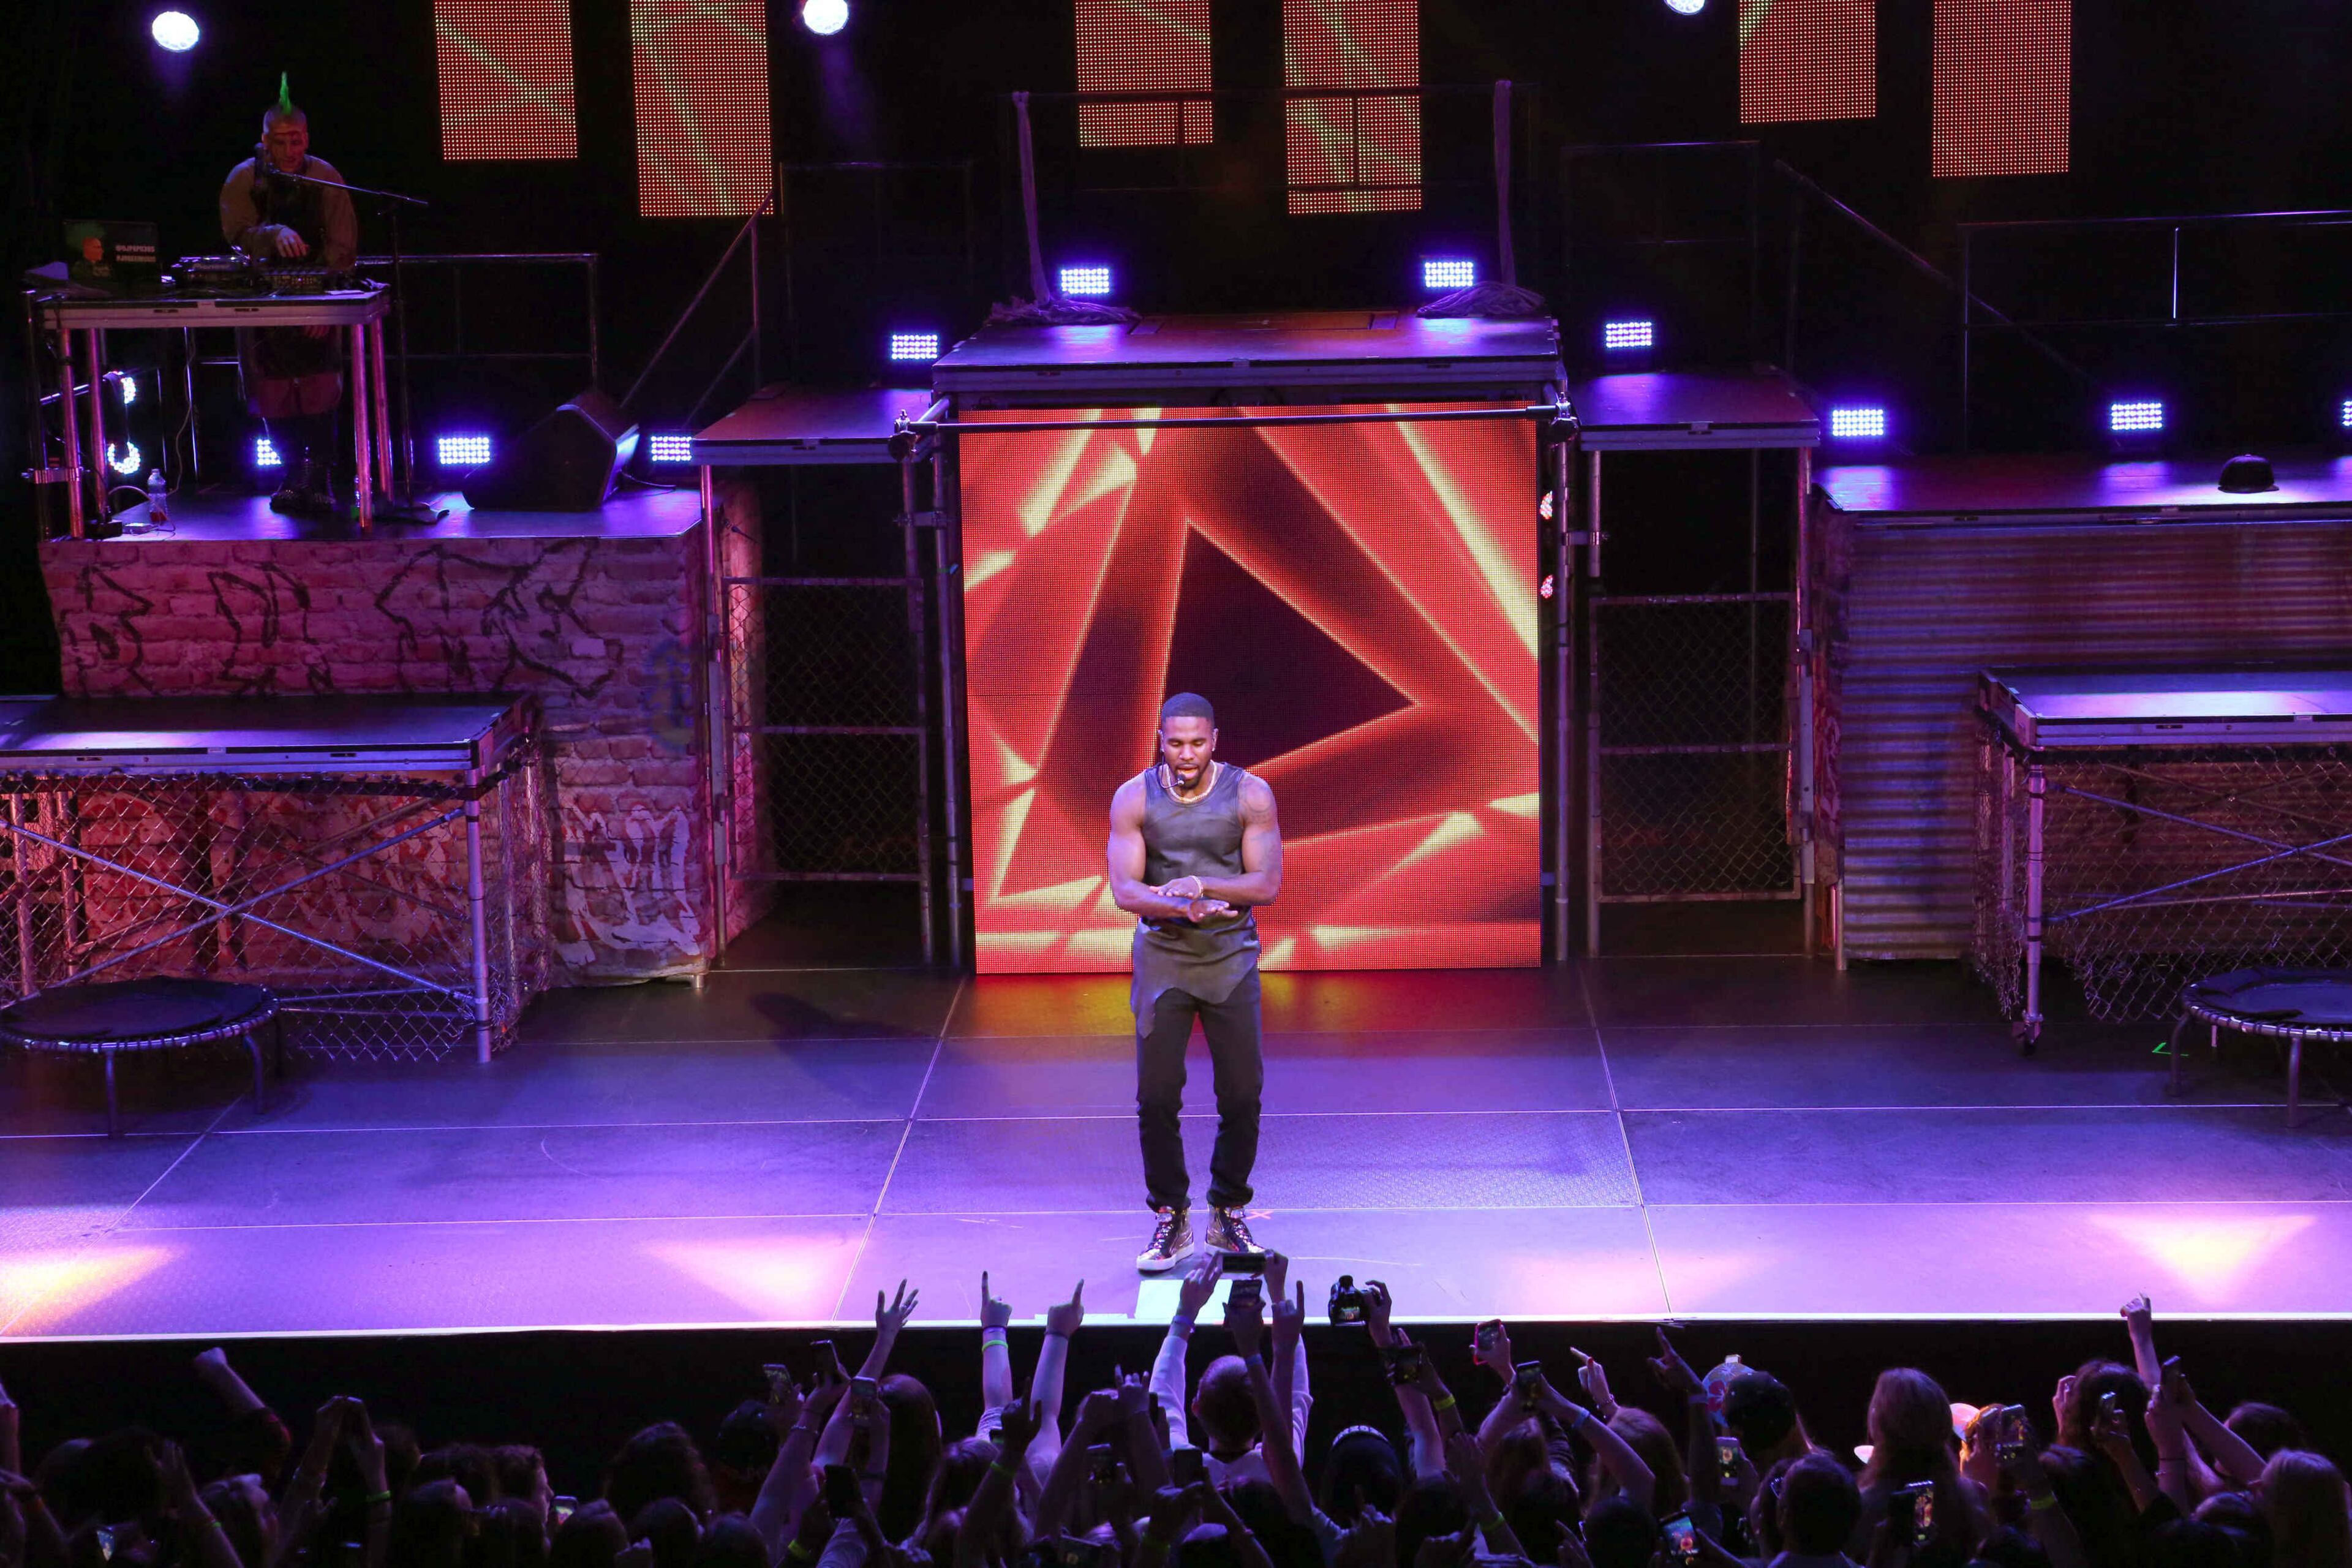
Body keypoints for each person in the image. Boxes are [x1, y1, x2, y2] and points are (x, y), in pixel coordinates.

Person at [1106, 692, 1283, 1271]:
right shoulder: (1133, 798)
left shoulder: (1250, 794)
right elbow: (1126, 891)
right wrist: (1181, 908)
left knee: (1242, 1094)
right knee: (1156, 1098)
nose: (1186, 754)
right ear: (1161, 740)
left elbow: (1263, 884)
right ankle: (1171, 1218)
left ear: (1215, 740)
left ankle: (1228, 1212)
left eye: (1197, 742)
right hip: (1163, 964)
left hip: (1231, 962)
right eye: (1175, 743)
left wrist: (1198, 885)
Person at [219, 76, 358, 517]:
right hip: (262, 298)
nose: (290, 150)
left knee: (319, 388)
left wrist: (325, 306)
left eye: (297, 141)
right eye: (281, 142)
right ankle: (292, 474)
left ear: (307, 139)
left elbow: (343, 245)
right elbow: (236, 235)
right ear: (265, 141)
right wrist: (272, 234)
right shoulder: (245, 178)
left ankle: (320, 478)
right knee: (272, 391)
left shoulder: (326, 176)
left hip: (316, 295)